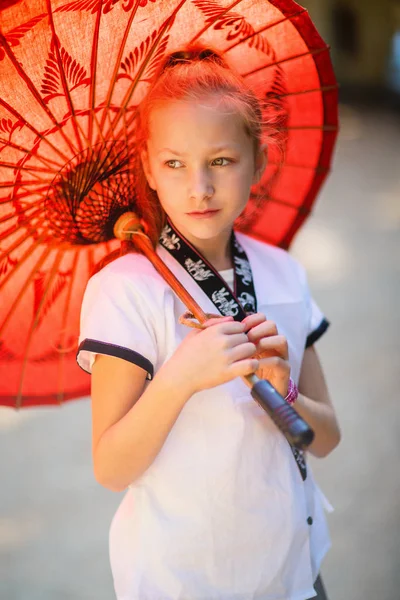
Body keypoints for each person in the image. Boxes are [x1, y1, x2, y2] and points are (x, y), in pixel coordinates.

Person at [77, 48, 341, 600]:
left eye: (221, 160)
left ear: (258, 161)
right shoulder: (124, 290)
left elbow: (326, 437)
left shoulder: (284, 272)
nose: (199, 186)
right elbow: (111, 466)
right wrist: (179, 378)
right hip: (182, 580)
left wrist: (284, 386)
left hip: (292, 569)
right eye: (174, 163)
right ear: (148, 167)